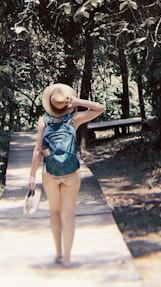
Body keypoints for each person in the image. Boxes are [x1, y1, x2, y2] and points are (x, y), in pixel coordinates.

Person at [28, 83, 105, 268]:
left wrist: (32, 177)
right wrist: (77, 101)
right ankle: (68, 259)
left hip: (50, 172)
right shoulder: (74, 120)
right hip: (71, 171)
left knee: (55, 212)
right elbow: (100, 108)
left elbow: (38, 151)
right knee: (68, 215)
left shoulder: (43, 121)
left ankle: (58, 253)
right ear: (67, 103)